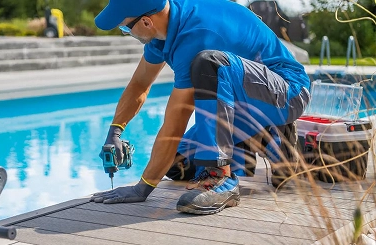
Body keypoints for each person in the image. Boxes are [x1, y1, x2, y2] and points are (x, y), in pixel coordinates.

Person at [90, 0, 310, 215]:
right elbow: (139, 84)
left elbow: (175, 123)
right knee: (177, 165)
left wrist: (143, 187)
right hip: (244, 102)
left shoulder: (195, 34)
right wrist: (115, 131)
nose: (127, 32)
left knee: (209, 64)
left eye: (125, 28)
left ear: (147, 22)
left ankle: (220, 176)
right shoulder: (165, 30)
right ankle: (264, 139)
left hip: (287, 92)